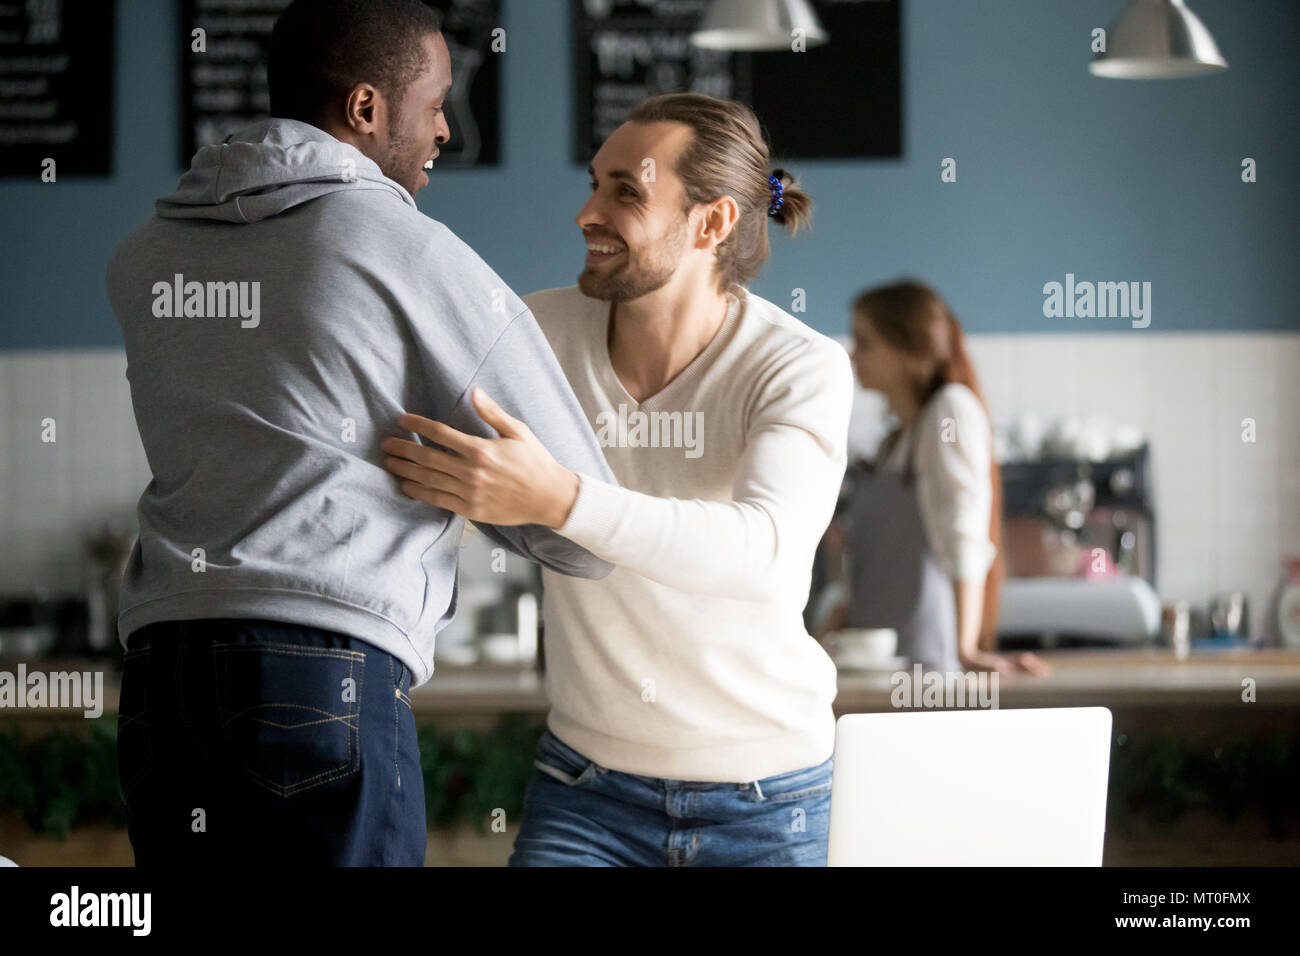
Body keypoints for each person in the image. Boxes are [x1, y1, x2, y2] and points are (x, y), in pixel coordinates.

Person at [105, 0, 615, 867]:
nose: (446, 130)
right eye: (436, 103)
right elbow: (579, 517)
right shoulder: (402, 247)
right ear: (367, 109)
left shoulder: (146, 253)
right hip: (322, 667)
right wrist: (476, 488)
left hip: (163, 673)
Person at [382, 93, 855, 866]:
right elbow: (419, 453)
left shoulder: (796, 365)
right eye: (593, 184)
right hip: (587, 790)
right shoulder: (532, 335)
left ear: (712, 224)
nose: (586, 214)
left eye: (625, 192)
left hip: (770, 799)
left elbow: (764, 551)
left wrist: (558, 500)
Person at [821, 280, 1049, 676]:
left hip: (926, 664)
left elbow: (964, 531)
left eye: (865, 342)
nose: (853, 354)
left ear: (907, 351)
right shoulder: (894, 442)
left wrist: (965, 649)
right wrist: (842, 614)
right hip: (877, 663)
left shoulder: (949, 411)